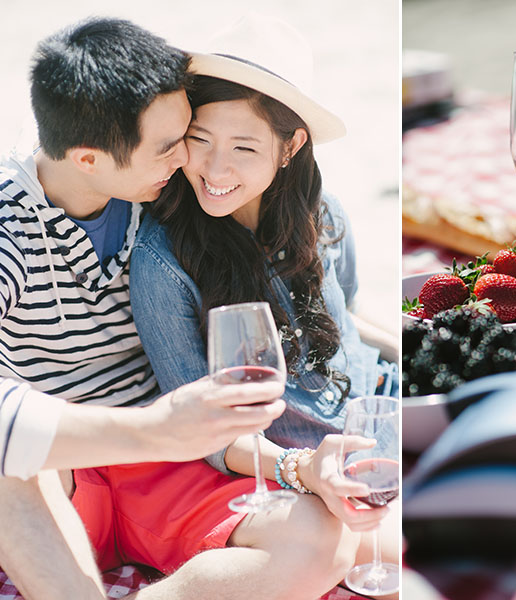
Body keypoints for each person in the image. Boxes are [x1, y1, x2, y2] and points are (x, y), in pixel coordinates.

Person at [0, 18, 287, 600]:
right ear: (87, 159)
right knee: (8, 462)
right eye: (167, 146)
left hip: (163, 474)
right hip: (67, 473)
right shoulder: (10, 227)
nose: (190, 158)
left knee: (316, 539)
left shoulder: (159, 194)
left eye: (186, 132)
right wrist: (152, 430)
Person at [127, 15, 400, 599]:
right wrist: (298, 470)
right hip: (299, 462)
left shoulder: (323, 212)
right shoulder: (163, 261)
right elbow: (201, 431)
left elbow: (348, 320)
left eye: (244, 147)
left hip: (382, 415)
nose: (215, 170)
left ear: (290, 145)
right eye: (199, 141)